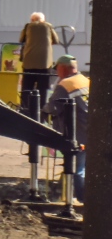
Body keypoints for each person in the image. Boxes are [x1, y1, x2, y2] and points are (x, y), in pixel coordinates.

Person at [45, 54, 88, 202]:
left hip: (78, 134)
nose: (57, 73)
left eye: (57, 69)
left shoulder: (66, 85)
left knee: (78, 170)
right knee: (88, 167)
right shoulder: (86, 80)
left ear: (62, 69)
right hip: (93, 131)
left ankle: (83, 201)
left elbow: (53, 107)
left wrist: (42, 110)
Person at [19, 12, 60, 101]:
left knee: (27, 88)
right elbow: (56, 40)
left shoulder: (28, 27)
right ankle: (42, 109)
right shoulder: (48, 26)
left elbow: (21, 39)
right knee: (43, 89)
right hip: (44, 63)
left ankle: (25, 108)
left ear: (32, 20)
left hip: (28, 63)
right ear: (43, 20)